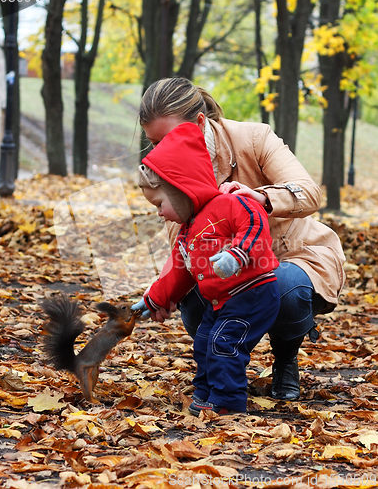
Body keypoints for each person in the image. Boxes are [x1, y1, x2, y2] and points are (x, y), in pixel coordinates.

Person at [133, 76, 346, 402]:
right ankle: (224, 370)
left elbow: (310, 193)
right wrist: (161, 296)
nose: (162, 151)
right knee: (193, 303)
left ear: (200, 122)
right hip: (225, 271)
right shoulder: (169, 172)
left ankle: (286, 357)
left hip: (290, 256)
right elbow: (183, 250)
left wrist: (260, 198)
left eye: (169, 138)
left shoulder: (253, 138)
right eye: (154, 143)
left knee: (282, 286)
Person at [135, 122, 280, 415]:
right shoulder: (187, 232)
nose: (159, 212)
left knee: (224, 342)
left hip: (253, 292)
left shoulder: (229, 202)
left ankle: (228, 401)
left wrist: (237, 254)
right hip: (223, 300)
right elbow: (178, 272)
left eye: (161, 203)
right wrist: (153, 299)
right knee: (204, 341)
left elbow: (255, 223)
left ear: (181, 191)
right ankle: (206, 391)